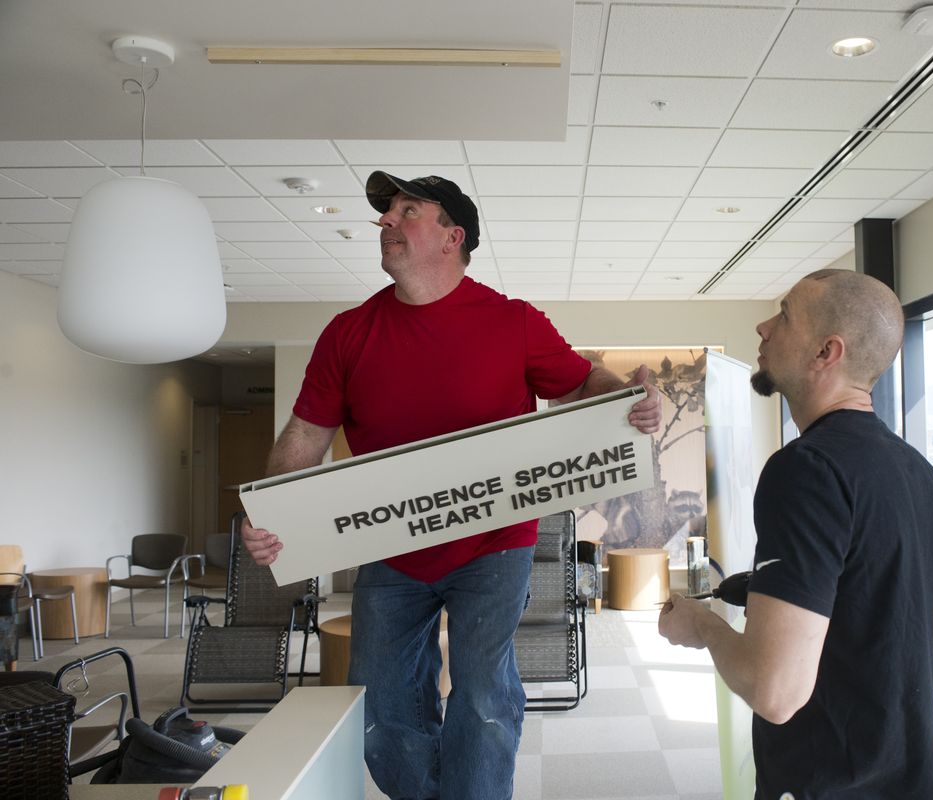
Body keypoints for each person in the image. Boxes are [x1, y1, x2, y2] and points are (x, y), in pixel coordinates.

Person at [240, 172, 661, 800]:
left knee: (484, 696)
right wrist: (270, 509)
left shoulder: (514, 321)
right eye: (385, 213)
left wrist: (631, 399)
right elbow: (306, 433)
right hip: (392, 546)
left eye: (407, 211)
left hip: (496, 542)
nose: (385, 222)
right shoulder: (346, 334)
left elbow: (578, 385)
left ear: (451, 237)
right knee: (381, 710)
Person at [657, 269, 933, 799]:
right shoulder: (920, 474)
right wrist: (846, 646)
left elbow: (775, 691)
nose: (763, 325)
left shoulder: (806, 470)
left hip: (824, 782)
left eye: (785, 315)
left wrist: (701, 626)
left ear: (826, 352)